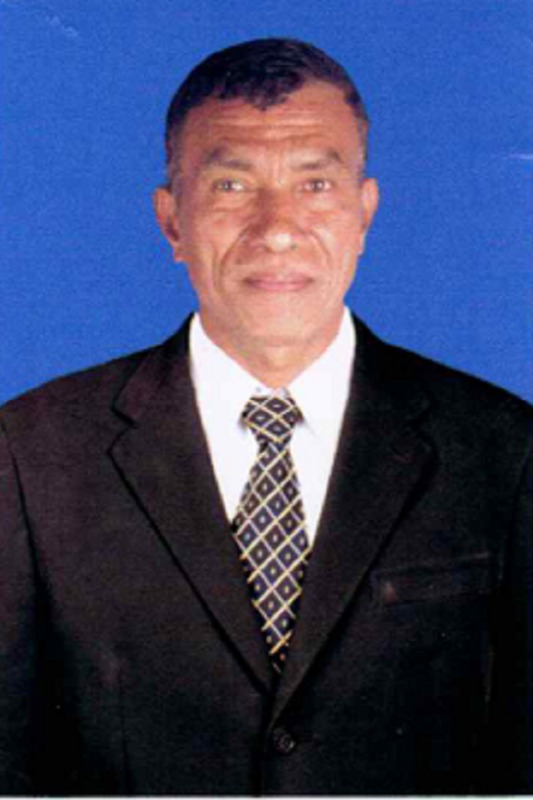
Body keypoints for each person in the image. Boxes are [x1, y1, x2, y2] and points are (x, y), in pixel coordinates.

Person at [0, 38, 531, 796]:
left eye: (315, 183)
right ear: (172, 222)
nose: (277, 228)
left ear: (363, 213)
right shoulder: (32, 452)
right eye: (231, 185)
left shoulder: (501, 450)